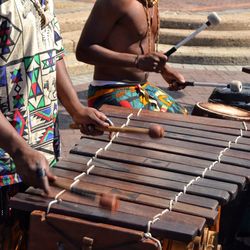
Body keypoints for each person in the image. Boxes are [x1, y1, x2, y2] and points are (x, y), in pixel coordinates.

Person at [0, 0, 110, 232]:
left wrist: (76, 109)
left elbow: (54, 51)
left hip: (41, 151)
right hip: (6, 158)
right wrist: (18, 149)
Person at [76, 0, 188, 114]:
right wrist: (137, 61)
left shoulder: (151, 3)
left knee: (183, 117)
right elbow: (83, 51)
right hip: (109, 90)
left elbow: (144, 43)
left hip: (142, 87)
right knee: (158, 126)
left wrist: (163, 69)